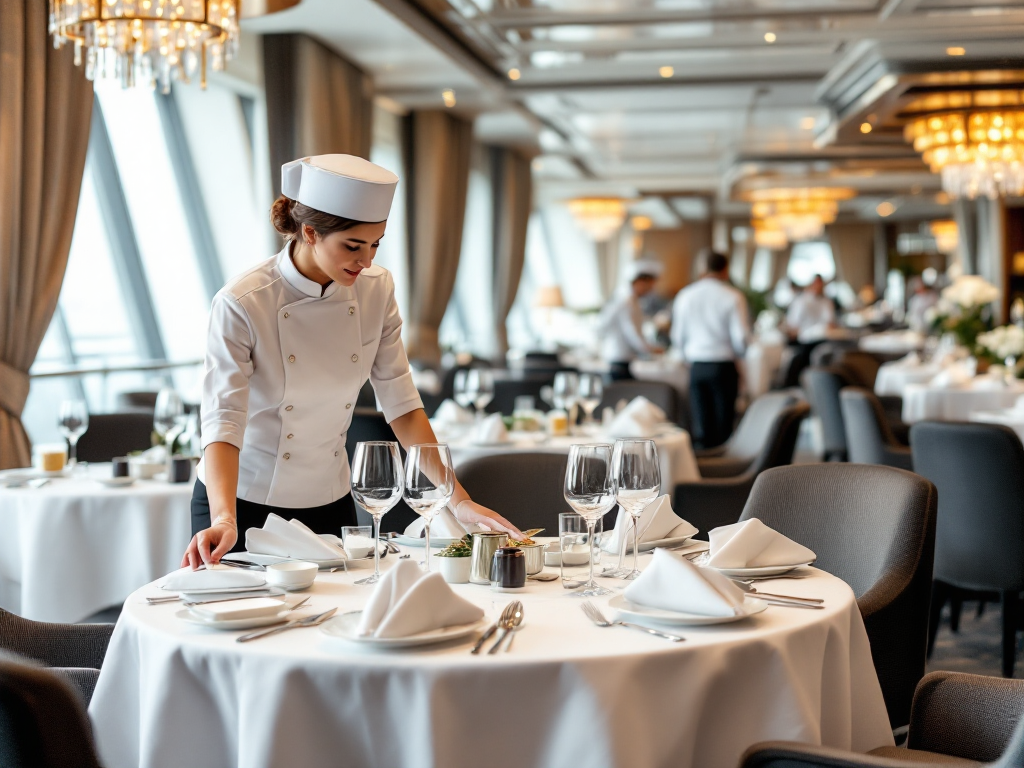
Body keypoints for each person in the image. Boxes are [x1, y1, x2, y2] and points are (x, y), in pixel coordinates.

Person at [183, 154, 520, 569]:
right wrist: (223, 517)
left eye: (375, 244)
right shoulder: (243, 302)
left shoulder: (376, 290)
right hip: (240, 505)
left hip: (330, 499)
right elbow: (223, 422)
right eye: (353, 246)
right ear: (310, 232)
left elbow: (403, 404)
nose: (367, 261)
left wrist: (459, 500)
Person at [670, 251, 750, 449]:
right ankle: (724, 471)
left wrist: (685, 357)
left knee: (701, 427)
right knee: (724, 427)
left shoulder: (685, 295)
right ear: (725, 269)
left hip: (696, 366)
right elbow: (741, 337)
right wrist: (741, 356)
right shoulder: (733, 295)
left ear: (702, 269)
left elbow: (677, 337)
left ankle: (703, 473)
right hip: (723, 366)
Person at [598, 262, 660, 380]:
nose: (651, 290)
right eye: (650, 286)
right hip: (618, 359)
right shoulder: (625, 301)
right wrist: (650, 349)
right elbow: (632, 332)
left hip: (623, 358)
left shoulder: (631, 300)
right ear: (640, 282)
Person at [785, 274, 835, 342]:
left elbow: (830, 322)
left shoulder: (827, 302)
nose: (818, 286)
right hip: (805, 339)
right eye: (816, 283)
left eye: (820, 284)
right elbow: (793, 324)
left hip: (824, 338)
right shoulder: (801, 301)